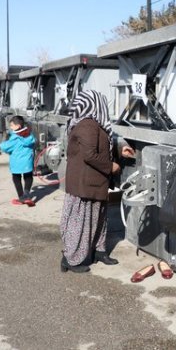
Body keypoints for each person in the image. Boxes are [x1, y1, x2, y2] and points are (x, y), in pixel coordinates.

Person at [59, 90, 131, 273]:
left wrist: (119, 150)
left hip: (93, 181)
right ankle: (72, 259)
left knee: (99, 219)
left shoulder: (89, 124)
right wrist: (111, 166)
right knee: (80, 221)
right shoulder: (88, 125)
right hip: (85, 183)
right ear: (97, 105)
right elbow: (90, 155)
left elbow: (100, 147)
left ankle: (98, 251)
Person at [0, 115, 36, 206]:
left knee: (16, 178)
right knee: (28, 177)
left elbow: (4, 147)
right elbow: (34, 143)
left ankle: (21, 197)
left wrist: (4, 142)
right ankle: (27, 194)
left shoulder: (15, 137)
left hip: (16, 162)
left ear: (18, 126)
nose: (10, 127)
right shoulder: (29, 135)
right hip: (27, 161)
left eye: (12, 125)